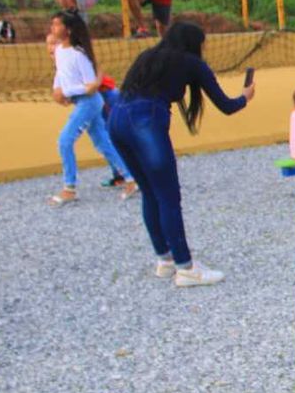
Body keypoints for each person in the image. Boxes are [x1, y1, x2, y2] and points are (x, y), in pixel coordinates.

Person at [108, 22, 254, 287]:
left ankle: (165, 260)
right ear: (193, 44)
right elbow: (226, 105)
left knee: (149, 192)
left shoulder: (149, 56)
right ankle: (186, 268)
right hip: (145, 120)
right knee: (168, 196)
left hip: (116, 118)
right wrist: (245, 97)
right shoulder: (191, 63)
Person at [48, 11, 136, 206]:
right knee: (103, 142)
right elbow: (61, 73)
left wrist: (69, 91)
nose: (52, 28)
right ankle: (131, 178)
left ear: (68, 30)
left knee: (65, 140)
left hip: (89, 102)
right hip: (82, 100)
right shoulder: (60, 50)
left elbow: (91, 86)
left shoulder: (79, 54)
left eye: (57, 25)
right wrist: (58, 90)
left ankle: (69, 188)